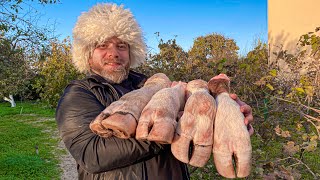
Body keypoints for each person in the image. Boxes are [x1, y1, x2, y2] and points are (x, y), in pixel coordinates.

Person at [56, 3, 253, 180]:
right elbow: (93, 155)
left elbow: (198, 129)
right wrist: (168, 129)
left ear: (132, 51)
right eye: (102, 46)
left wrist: (224, 114)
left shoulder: (155, 85)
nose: (114, 53)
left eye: (121, 46)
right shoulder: (80, 93)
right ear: (87, 55)